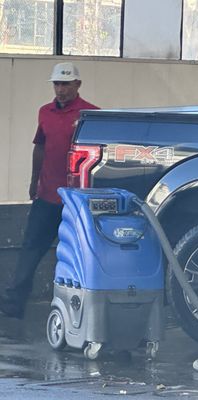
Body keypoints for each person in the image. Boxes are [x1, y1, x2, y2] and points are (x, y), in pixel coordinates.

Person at [0, 62, 99, 318]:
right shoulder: (45, 112)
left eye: (66, 84)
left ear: (77, 85)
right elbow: (40, 147)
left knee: (81, 253)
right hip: (47, 194)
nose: (61, 89)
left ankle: (84, 308)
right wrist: (34, 181)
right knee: (31, 246)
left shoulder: (90, 114)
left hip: (77, 199)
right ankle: (13, 304)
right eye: (57, 84)